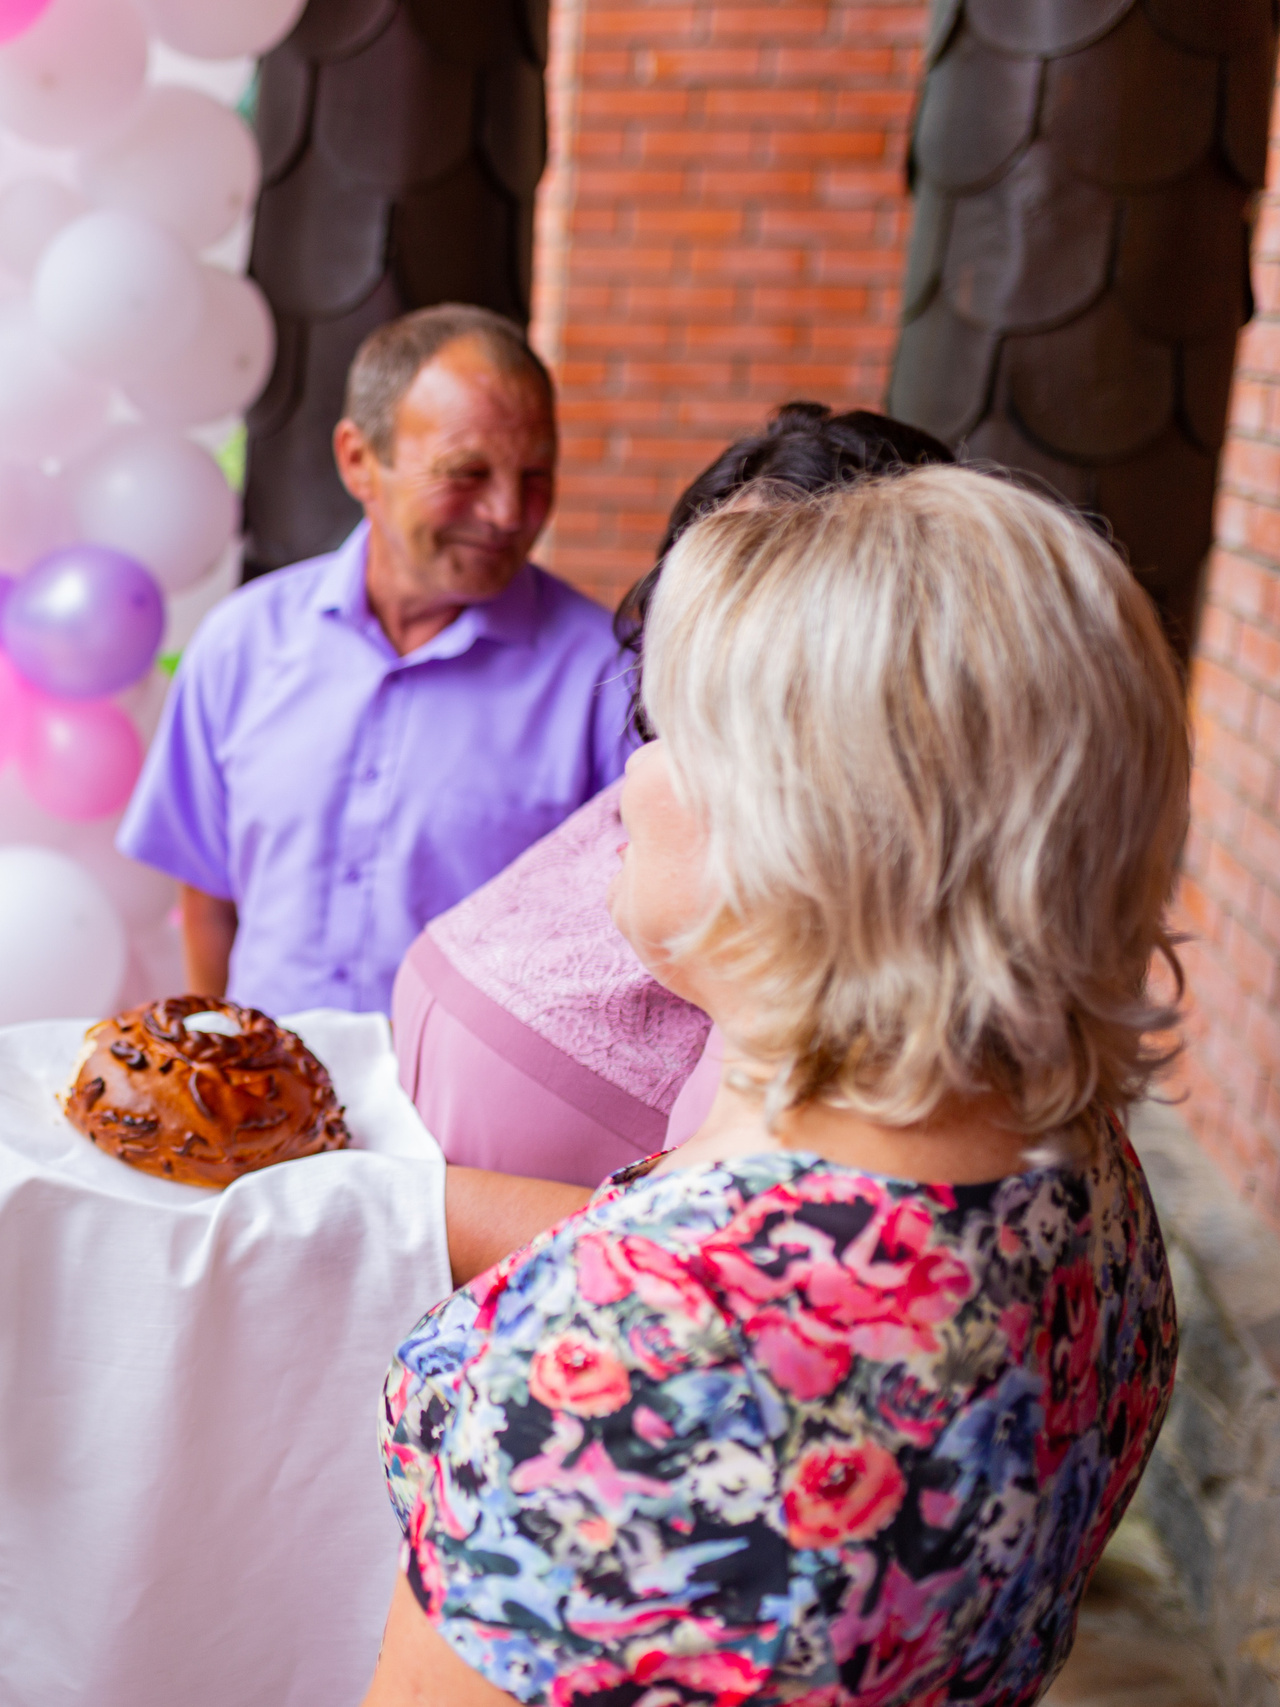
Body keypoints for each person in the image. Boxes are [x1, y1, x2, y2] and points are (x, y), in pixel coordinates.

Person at [366, 466, 1183, 1706]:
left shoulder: (644, 1342)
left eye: (674, 727)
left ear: (808, 831)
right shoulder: (1079, 1165)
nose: (631, 780)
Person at [392, 404, 954, 1187]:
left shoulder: (826, 918)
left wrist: (396, 1211)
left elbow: (718, 1220)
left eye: (754, 602)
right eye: (703, 590)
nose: (709, 638)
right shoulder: (660, 775)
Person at [118, 304, 633, 1018]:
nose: (509, 513)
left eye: (536, 474)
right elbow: (209, 899)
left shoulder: (611, 681)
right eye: (467, 472)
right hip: (267, 1080)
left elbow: (628, 947)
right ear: (359, 460)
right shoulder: (241, 643)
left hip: (471, 1096)